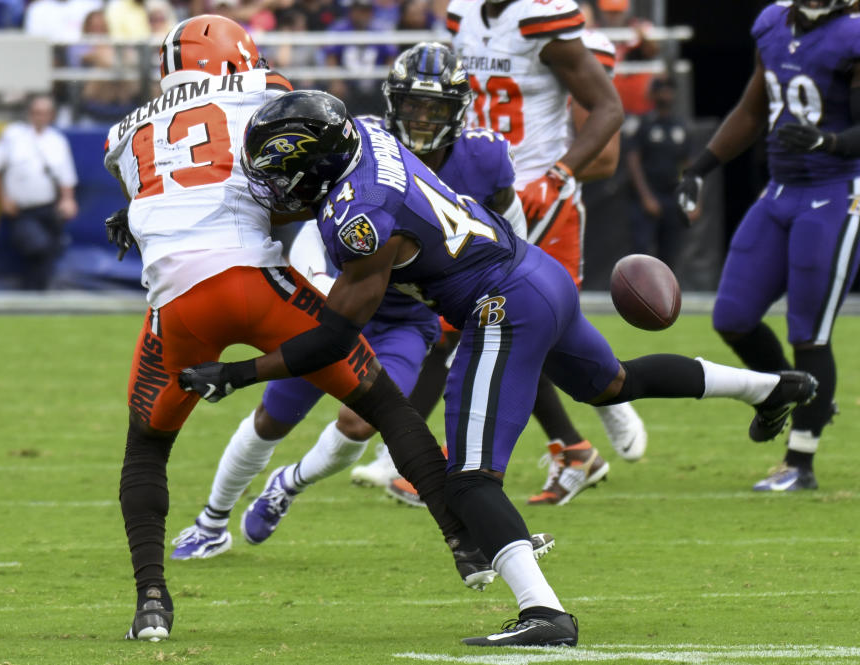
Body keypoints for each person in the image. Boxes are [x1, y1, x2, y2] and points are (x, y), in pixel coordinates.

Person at [180, 89, 817, 647]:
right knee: (613, 382)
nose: (275, 184)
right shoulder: (368, 135)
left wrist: (237, 374)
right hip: (536, 272)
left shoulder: (361, 221)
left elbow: (333, 341)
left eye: (282, 170)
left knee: (469, 480)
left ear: (315, 165)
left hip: (501, 305)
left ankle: (544, 612)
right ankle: (769, 388)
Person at [104, 15, 498, 643]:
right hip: (256, 283)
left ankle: (152, 601)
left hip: (175, 303)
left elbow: (155, 181)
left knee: (147, 447)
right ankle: (462, 543)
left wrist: (130, 212)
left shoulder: (121, 133)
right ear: (237, 56)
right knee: (386, 406)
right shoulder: (260, 84)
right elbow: (308, 132)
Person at [170, 44, 545, 576]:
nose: (419, 118)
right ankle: (211, 522)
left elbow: (511, 226)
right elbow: (308, 226)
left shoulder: (483, 155)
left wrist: (496, 289)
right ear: (392, 103)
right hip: (340, 296)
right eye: (411, 106)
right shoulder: (355, 139)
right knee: (274, 415)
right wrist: (319, 284)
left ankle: (288, 484)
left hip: (405, 314)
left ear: (458, 111)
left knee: (360, 422)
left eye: (432, 109)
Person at [441, 0, 646, 508]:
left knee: (517, 325)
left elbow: (609, 109)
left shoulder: (545, 21)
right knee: (495, 325)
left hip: (536, 193)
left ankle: (597, 407)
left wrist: (559, 173)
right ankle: (576, 437)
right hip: (478, 191)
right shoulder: (461, 15)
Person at [675, 0, 860, 492]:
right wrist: (700, 168)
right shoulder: (773, 23)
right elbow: (754, 108)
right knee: (732, 316)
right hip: (779, 192)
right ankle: (797, 392)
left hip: (835, 193)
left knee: (809, 333)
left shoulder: (852, 35)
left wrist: (831, 144)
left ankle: (800, 463)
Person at [0, 93, 78, 290]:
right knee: (37, 246)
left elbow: (66, 176)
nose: (40, 117)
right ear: (29, 114)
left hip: (49, 209)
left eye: (44, 113)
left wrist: (68, 199)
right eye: (36, 112)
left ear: (52, 115)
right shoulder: (13, 136)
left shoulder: (57, 141)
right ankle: (33, 294)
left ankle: (36, 296)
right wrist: (2, 199)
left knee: (49, 251)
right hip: (23, 211)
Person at [626, 75, 691, 269]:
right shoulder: (643, 124)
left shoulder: (680, 126)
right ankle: (638, 293)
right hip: (647, 195)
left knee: (670, 251)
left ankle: (665, 294)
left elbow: (688, 164)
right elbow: (633, 161)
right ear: (653, 94)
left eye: (669, 89)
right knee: (642, 249)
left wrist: (691, 197)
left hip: (672, 195)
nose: (666, 94)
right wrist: (646, 196)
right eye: (661, 89)